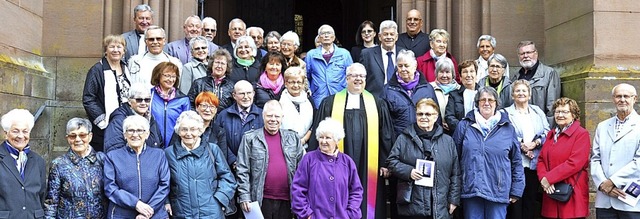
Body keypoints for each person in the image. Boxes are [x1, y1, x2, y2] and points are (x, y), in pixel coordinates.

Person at [310, 63, 394, 219]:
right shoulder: (330, 103)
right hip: (336, 161)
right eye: (354, 76)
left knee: (367, 195)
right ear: (346, 78)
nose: (358, 79)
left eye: (361, 76)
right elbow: (319, 133)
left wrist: (385, 162)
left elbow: (386, 135)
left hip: (369, 162)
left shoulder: (377, 104)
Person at [452, 87, 525, 219]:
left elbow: (516, 161)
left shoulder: (508, 128)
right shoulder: (464, 126)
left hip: (498, 190)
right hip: (471, 189)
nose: (486, 103)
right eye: (483, 100)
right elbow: (454, 158)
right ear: (477, 103)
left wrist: (516, 189)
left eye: (490, 100)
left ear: (496, 103)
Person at [387, 98, 461, 218]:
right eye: (420, 114)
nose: (423, 117)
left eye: (428, 114)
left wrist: (453, 200)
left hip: (440, 206)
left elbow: (456, 174)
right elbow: (391, 162)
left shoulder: (448, 141)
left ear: (436, 116)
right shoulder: (403, 139)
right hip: (413, 207)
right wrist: (408, 171)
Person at [237, 100, 305, 218]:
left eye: (277, 116)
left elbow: (303, 170)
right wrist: (244, 196)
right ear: (263, 116)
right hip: (260, 200)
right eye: (269, 115)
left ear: (282, 117)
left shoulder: (293, 138)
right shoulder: (250, 138)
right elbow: (242, 169)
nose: (273, 119)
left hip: (287, 200)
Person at [165, 111, 237, 218]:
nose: (188, 133)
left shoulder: (213, 149)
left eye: (193, 129)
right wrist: (167, 202)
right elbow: (163, 182)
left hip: (212, 213)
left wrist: (220, 200)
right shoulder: (168, 153)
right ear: (178, 132)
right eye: (184, 129)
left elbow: (227, 178)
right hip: (182, 213)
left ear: (200, 130)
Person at [291, 118, 363, 219]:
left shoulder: (347, 162)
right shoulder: (308, 159)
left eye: (328, 138)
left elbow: (356, 191)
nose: (323, 141)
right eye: (321, 137)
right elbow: (297, 189)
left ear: (337, 140)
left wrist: (350, 214)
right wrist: (307, 214)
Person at [103, 115, 170, 219]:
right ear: (124, 134)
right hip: (121, 215)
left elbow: (164, 185)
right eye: (130, 130)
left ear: (147, 134)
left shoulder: (159, 155)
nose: (135, 134)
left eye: (140, 130)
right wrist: (136, 204)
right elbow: (110, 188)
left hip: (155, 214)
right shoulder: (112, 156)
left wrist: (148, 211)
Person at [591, 83, 640, 218]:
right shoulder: (603, 126)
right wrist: (602, 185)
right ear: (613, 99)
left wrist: (612, 182)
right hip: (605, 200)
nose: (622, 99)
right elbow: (595, 158)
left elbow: (638, 162)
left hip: (631, 200)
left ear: (634, 99)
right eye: (618, 96)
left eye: (626, 96)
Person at [503, 80, 550, 219]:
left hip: (534, 164)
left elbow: (547, 132)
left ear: (529, 95)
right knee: (515, 203)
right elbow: (505, 134)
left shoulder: (538, 111)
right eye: (517, 91)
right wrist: (522, 146)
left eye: (524, 91)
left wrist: (535, 143)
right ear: (512, 95)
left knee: (530, 201)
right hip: (515, 164)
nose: (521, 93)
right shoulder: (505, 113)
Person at [537, 97, 590, 218]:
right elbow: (541, 159)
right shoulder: (551, 134)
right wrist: (543, 179)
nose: (560, 115)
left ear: (574, 115)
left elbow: (575, 163)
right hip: (550, 191)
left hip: (572, 193)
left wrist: (549, 178)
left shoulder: (581, 134)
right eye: (557, 111)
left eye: (565, 112)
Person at [44, 118, 107, 218]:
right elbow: (51, 202)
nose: (78, 139)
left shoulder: (102, 160)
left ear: (90, 136)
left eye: (82, 135)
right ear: (67, 138)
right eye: (73, 136)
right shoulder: (59, 164)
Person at [83, 34, 131, 151]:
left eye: (119, 47)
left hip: (126, 121)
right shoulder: (97, 70)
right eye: (112, 47)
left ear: (123, 51)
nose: (116, 50)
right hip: (105, 126)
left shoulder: (127, 68)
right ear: (106, 50)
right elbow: (88, 98)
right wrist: (102, 121)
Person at [0, 109, 46, 219]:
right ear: (6, 133)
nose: (21, 136)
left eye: (25, 131)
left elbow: (42, 195)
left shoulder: (38, 160)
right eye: (15, 131)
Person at [383, 49, 437, 139]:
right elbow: (384, 123)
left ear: (415, 65)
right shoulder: (387, 90)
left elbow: (436, 116)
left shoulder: (427, 89)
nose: (403, 69)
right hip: (398, 141)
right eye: (400, 66)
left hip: (424, 139)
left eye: (406, 66)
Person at [510, 41, 561, 124]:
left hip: (540, 126)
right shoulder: (515, 78)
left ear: (536, 53)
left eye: (528, 52)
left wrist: (547, 133)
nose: (525, 56)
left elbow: (552, 107)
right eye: (522, 54)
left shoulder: (549, 74)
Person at [104, 83, 163, 152]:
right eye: (139, 100)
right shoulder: (118, 121)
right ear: (129, 101)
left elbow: (160, 145)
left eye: (147, 100)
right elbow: (114, 151)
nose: (143, 103)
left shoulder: (150, 118)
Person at [305, 24, 353, 109]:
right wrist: (309, 90)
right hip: (318, 98)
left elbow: (351, 75)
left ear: (333, 37)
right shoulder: (311, 55)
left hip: (340, 96)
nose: (326, 35)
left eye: (329, 33)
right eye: (323, 33)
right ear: (319, 38)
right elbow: (306, 76)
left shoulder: (344, 54)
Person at [214, 80, 264, 158]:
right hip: (229, 166)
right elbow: (219, 141)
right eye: (242, 94)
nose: (246, 97)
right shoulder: (223, 116)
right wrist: (232, 160)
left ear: (253, 94)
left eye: (249, 93)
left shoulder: (263, 115)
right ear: (234, 95)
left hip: (255, 164)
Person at [149, 62, 191, 148]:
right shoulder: (149, 96)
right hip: (152, 145)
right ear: (158, 75)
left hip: (175, 147)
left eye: (173, 76)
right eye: (167, 75)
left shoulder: (183, 100)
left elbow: (186, 125)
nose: (170, 79)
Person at [360, 20, 401, 97]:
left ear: (396, 37)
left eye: (392, 34)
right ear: (379, 36)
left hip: (399, 100)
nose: (389, 37)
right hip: (374, 100)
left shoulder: (404, 53)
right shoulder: (367, 54)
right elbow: (361, 79)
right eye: (385, 34)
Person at [279, 66, 313, 149]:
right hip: (284, 146)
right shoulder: (278, 102)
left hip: (306, 146)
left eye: (299, 82)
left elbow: (313, 125)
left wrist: (304, 140)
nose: (296, 85)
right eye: (292, 82)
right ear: (286, 83)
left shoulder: (309, 100)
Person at [445, 60, 479, 133]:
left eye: (472, 71)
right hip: (460, 133)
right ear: (460, 77)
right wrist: (464, 128)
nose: (469, 75)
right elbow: (449, 117)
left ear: (476, 75)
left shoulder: (484, 94)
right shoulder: (453, 95)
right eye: (465, 72)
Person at [430, 57, 460, 134]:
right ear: (436, 73)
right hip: (435, 130)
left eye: (447, 72)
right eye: (441, 72)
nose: (444, 75)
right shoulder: (430, 88)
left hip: (456, 131)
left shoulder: (459, 89)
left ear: (452, 74)